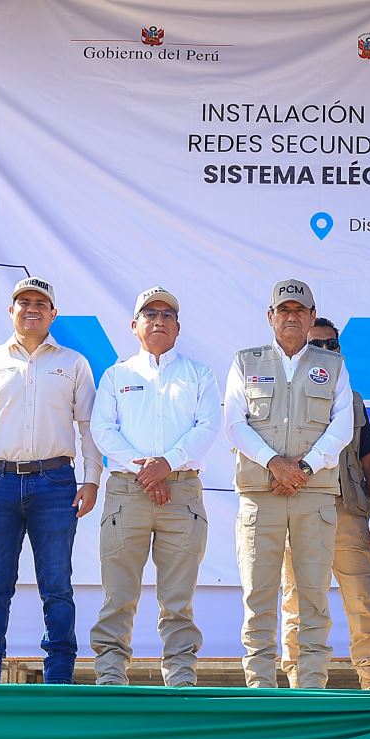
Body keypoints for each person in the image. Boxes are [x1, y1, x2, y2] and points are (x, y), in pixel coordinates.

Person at [0, 275, 100, 684]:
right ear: (11, 311)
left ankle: (59, 680)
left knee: (57, 587)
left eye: (41, 302)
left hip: (55, 484)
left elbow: (88, 425)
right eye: (24, 302)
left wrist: (91, 479)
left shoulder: (73, 363)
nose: (32, 308)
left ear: (53, 313)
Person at [224, 278, 353, 689]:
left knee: (313, 598)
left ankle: (312, 686)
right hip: (261, 497)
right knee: (258, 597)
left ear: (312, 317)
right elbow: (233, 423)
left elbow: (343, 427)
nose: (292, 317)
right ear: (270, 317)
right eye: (284, 310)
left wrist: (304, 469)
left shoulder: (332, 365)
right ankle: (260, 687)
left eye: (300, 311)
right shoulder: (246, 362)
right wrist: (275, 464)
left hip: (312, 497)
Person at [88, 287, 218, 687]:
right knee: (118, 594)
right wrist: (145, 468)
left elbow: (208, 426)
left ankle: (180, 677)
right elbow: (102, 429)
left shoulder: (198, 374)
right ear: (134, 326)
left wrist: (167, 464)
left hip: (181, 493)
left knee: (178, 599)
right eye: (150, 314)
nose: (158, 320)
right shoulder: (117, 375)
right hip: (128, 491)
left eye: (167, 315)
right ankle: (111, 676)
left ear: (178, 328)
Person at [281, 316, 370, 690]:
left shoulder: (353, 399)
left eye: (331, 346)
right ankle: (302, 688)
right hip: (298, 512)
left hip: (347, 512)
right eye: (316, 346)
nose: (324, 353)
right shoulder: (284, 394)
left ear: (340, 352)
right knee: (300, 604)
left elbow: (369, 460)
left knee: (360, 602)